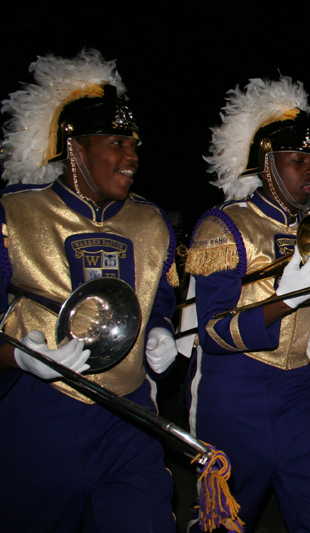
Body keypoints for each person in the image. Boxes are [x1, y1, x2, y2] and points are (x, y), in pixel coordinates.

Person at [0, 49, 179, 532]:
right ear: (74, 147)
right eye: (117, 142)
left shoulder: (153, 221)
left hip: (130, 416)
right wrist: (17, 358)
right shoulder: (14, 215)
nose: (132, 156)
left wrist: (161, 328)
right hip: (41, 419)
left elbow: (159, 297)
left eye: (135, 144)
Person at [184, 76, 310, 532]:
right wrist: (284, 302)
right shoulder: (224, 225)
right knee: (222, 525)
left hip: (299, 392)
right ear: (267, 162)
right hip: (234, 398)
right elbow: (213, 332)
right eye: (297, 160)